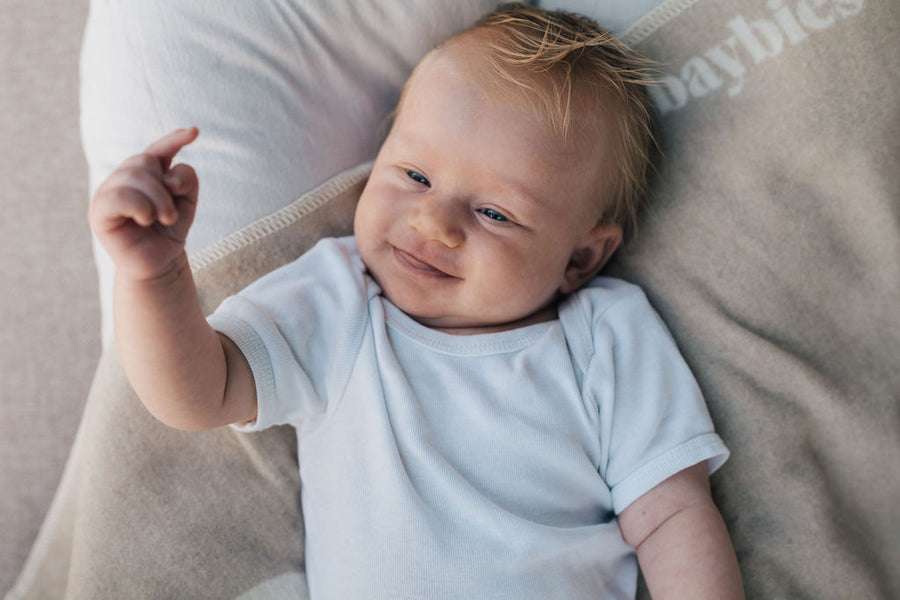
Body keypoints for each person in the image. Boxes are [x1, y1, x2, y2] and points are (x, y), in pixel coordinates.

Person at [88, 4, 743, 599]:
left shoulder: (607, 335)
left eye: (493, 212)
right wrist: (156, 278)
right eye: (416, 176)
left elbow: (673, 516)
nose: (435, 224)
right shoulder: (339, 304)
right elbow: (200, 392)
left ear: (580, 257)